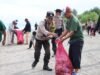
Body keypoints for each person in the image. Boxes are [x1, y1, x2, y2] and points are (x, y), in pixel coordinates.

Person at [58, 7, 84, 75]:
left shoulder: (74, 20)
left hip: (78, 40)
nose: (65, 16)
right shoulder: (69, 20)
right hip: (73, 41)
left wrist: (63, 39)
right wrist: (60, 37)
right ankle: (72, 71)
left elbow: (72, 32)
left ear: (69, 13)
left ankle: (76, 72)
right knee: (71, 56)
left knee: (76, 57)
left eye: (65, 14)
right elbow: (66, 30)